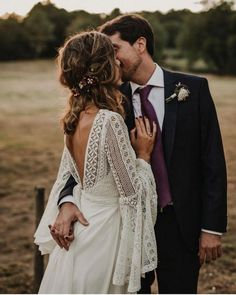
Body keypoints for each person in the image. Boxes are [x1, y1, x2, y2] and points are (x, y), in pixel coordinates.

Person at [51, 14, 227, 294]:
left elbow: (213, 163)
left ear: (140, 44)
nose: (112, 58)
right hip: (125, 228)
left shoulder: (193, 89)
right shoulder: (107, 99)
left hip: (180, 225)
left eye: (115, 49)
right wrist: (67, 201)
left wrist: (211, 227)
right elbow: (81, 162)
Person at [34, 31, 158, 294]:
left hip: (83, 228)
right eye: (112, 58)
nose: (118, 62)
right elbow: (131, 193)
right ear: (104, 67)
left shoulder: (73, 119)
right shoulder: (108, 121)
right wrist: (144, 156)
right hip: (104, 233)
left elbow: (72, 177)